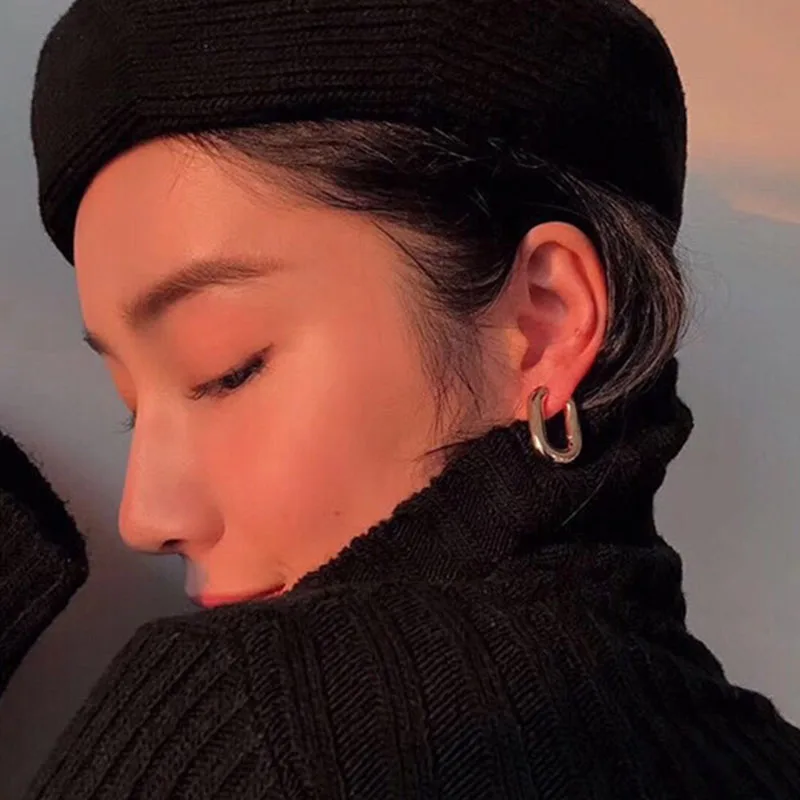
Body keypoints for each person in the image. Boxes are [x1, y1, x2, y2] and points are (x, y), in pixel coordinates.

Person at [1, 0, 799, 796]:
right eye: (131, 406)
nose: (143, 516)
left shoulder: (263, 714)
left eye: (226, 370)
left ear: (544, 321)